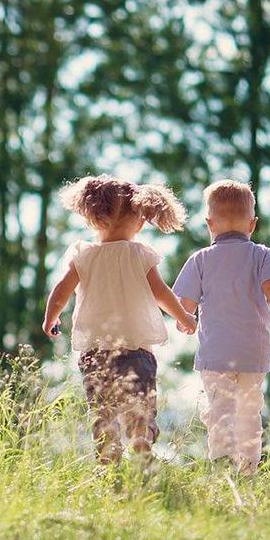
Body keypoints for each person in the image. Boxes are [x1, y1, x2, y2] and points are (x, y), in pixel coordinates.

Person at [42, 174, 197, 464]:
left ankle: (108, 466)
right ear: (139, 220)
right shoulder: (139, 253)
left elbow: (61, 290)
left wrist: (51, 317)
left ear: (96, 217)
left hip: (95, 352)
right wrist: (184, 317)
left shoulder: (84, 255)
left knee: (102, 413)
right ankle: (141, 453)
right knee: (139, 409)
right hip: (136, 350)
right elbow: (161, 293)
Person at [172, 179, 270, 476]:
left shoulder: (201, 259)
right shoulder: (261, 255)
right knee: (249, 414)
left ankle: (221, 467)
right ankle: (248, 471)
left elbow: (183, 304)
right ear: (252, 224)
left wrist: (186, 321)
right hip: (251, 354)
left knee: (220, 411)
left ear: (209, 224)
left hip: (216, 355)